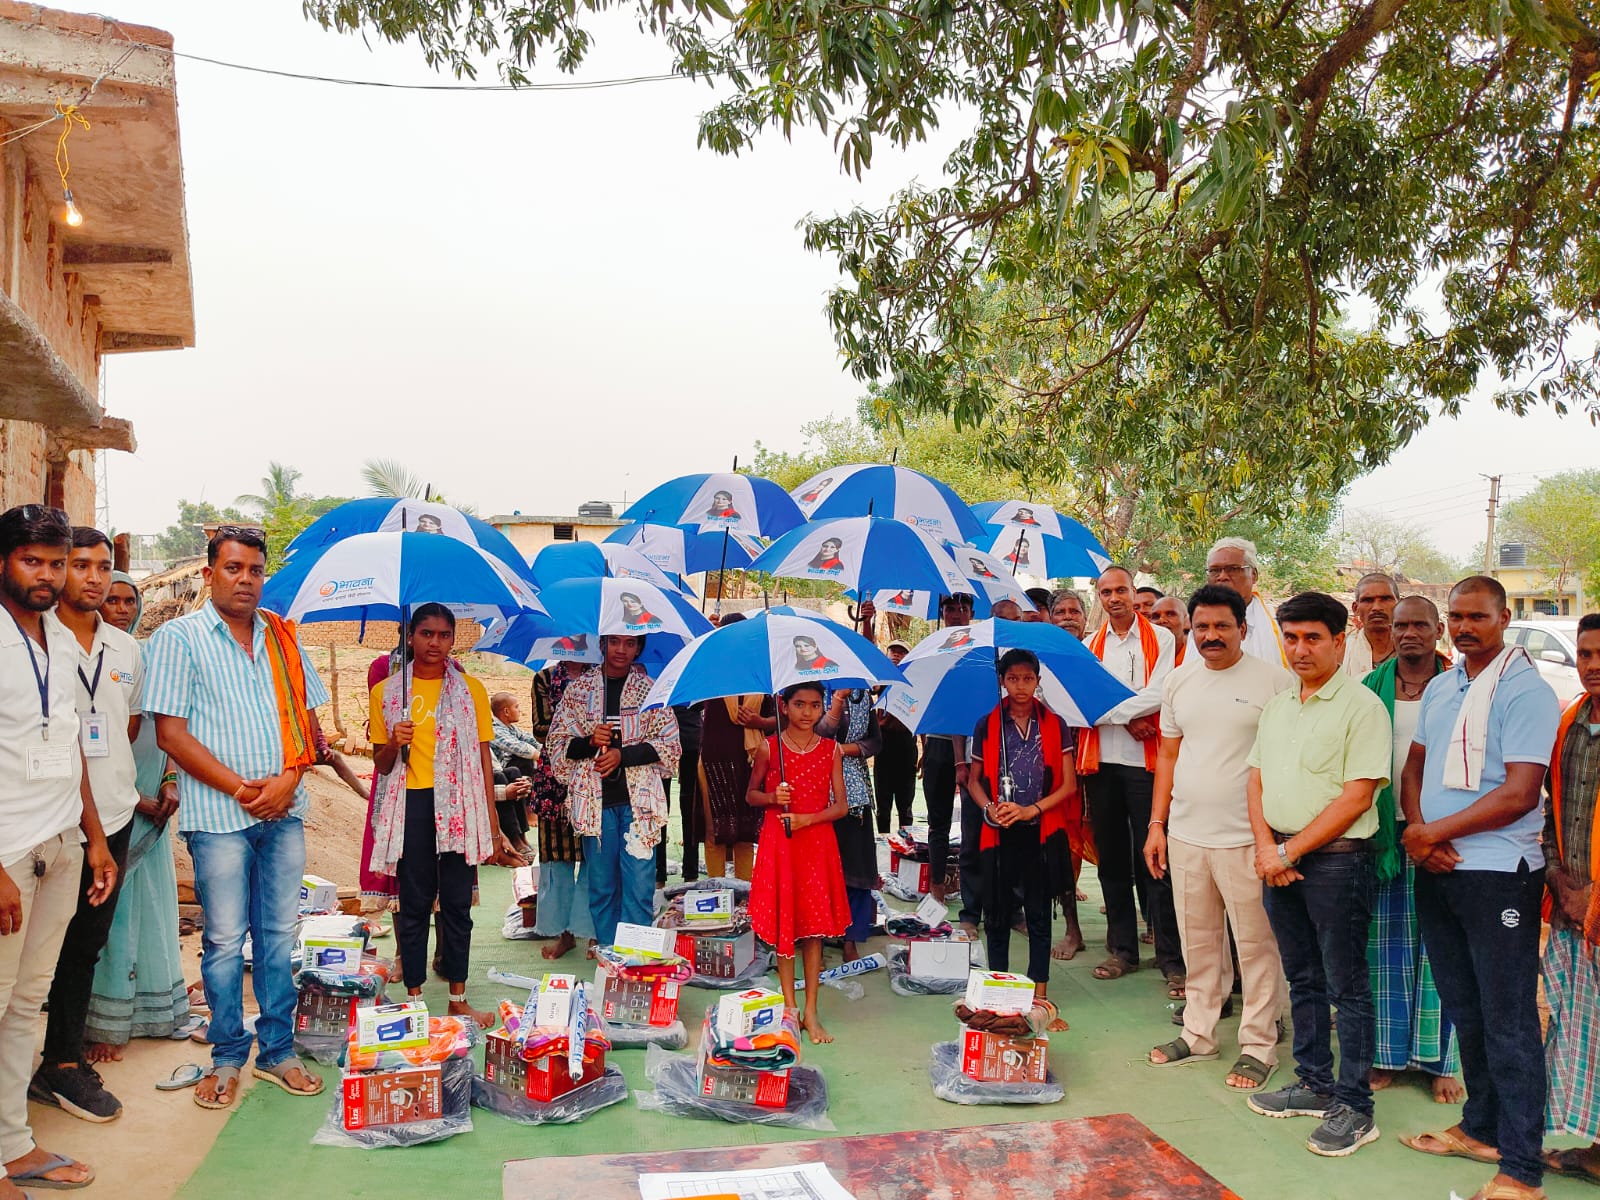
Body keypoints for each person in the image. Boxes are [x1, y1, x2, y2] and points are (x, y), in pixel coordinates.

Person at [145, 525, 329, 1111]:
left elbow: (307, 728)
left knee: (278, 938)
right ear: (208, 574)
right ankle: (226, 1055)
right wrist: (249, 791)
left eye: (254, 570)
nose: (245, 580)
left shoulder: (282, 637)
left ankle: (277, 1050)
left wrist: (289, 781)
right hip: (218, 815)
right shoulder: (179, 639)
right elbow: (171, 734)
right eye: (232, 568)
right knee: (224, 941)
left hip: (286, 811)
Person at [1396, 576, 1559, 1200]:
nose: (1464, 628)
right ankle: (1480, 1127)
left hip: (1498, 875)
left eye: (1477, 617)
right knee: (1465, 1008)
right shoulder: (1444, 684)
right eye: (1456, 617)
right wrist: (1419, 832)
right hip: (1439, 869)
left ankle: (1521, 1169)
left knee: (1509, 1020)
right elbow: (1415, 766)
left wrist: (1430, 831)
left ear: (1504, 616)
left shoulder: (1527, 691)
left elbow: (1520, 794)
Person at [1244, 591, 1390, 1157]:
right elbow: (1256, 781)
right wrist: (1267, 848)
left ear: (1339, 640)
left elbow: (1356, 798)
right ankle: (1314, 1084)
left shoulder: (1361, 708)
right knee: (1301, 978)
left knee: (1346, 985)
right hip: (1279, 857)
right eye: (1291, 637)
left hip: (1336, 862)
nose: (1300, 649)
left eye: (1312, 638)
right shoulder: (1281, 705)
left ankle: (1355, 1106)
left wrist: (1288, 852)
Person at [0, 505, 114, 1190]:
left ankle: (14, 1145)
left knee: (26, 1004)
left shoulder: (61, 641)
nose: (46, 576)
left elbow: (69, 742)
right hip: (7, 854)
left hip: (61, 844)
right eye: (31, 561)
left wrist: (94, 839)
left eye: (56, 562)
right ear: (4, 562)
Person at [1143, 585, 1291, 1091]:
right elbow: (1167, 756)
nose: (1210, 636)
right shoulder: (1179, 682)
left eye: (1221, 626)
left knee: (1255, 945)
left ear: (1242, 629)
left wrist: (1273, 839)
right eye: (1201, 627)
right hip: (1185, 836)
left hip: (1249, 840)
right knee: (1199, 941)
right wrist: (1157, 824)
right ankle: (1199, 1032)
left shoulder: (1275, 683)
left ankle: (1258, 1044)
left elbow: (1283, 763)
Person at [31, 529, 140, 1123]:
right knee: (34, 951)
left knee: (85, 945)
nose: (95, 578)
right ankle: (50, 1061)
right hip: (54, 819)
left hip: (115, 813)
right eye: (81, 565)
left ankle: (62, 1062)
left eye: (104, 566)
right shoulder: (37, 644)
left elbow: (125, 727)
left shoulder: (125, 649)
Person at [369, 603, 521, 1027]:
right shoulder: (387, 693)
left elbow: (483, 757)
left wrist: (492, 823)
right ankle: (415, 999)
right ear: (411, 637)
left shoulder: (470, 690)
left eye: (443, 635)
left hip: (459, 804)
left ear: (453, 640)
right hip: (411, 806)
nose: (434, 643)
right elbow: (382, 767)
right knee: (414, 904)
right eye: (425, 634)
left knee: (457, 905)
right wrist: (392, 742)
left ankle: (458, 997)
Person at [1360, 596, 1462, 1103]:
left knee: (1441, 951)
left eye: (1420, 625)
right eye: (1401, 626)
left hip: (1443, 835)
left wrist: (1430, 830)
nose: (1409, 634)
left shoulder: (1459, 689)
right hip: (1385, 836)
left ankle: (1442, 1062)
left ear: (1438, 629)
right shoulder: (1370, 688)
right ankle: (1385, 1057)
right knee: (1385, 953)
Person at [86, 573, 190, 1063]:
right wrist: (131, 799)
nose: (122, 608)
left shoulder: (144, 658)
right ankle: (106, 1019)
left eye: (130, 600)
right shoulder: (80, 659)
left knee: (152, 907)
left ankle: (153, 1011)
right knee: (114, 913)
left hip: (155, 799)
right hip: (109, 804)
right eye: (113, 599)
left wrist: (168, 781)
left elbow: (172, 726)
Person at [1081, 565, 1182, 989]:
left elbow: (1161, 693)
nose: (1114, 598)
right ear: (1099, 598)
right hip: (1103, 764)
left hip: (1148, 764)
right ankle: (1122, 950)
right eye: (1106, 592)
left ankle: (1171, 956)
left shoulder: (1160, 638)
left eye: (1121, 590)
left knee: (1157, 858)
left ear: (1133, 591)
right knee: (1112, 860)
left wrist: (1115, 714)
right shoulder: (1090, 646)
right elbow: (1084, 702)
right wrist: (1129, 718)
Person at [967, 649, 1077, 1029]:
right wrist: (989, 809)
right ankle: (998, 995)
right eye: (1012, 679)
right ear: (1002, 681)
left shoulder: (1055, 723)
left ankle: (1040, 1000)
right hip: (999, 833)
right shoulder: (987, 724)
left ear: (1037, 680)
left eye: (1027, 679)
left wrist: (1033, 810)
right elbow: (973, 780)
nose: (1020, 686)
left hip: (1039, 831)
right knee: (996, 916)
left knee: (1038, 915)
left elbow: (1068, 785)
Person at [548, 635, 681, 945]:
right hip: (595, 807)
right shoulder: (579, 690)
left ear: (639, 648)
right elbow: (557, 745)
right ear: (603, 644)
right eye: (615, 642)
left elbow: (670, 744)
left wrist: (624, 754)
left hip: (639, 808)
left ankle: (636, 963)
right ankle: (610, 958)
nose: (622, 650)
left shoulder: (650, 690)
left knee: (639, 885)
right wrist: (588, 741)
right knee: (602, 887)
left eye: (630, 643)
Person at [746, 682, 850, 1043]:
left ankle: (811, 1010)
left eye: (815, 705)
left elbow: (841, 805)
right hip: (781, 843)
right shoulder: (768, 748)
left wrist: (808, 819)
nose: (808, 712)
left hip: (816, 841)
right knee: (785, 925)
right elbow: (751, 795)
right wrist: (774, 796)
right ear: (783, 706)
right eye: (800, 704)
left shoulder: (831, 749)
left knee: (814, 928)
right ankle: (790, 1007)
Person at [1540, 613, 1600, 1186]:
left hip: (1596, 909)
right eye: (1584, 654)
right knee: (1582, 1026)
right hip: (1569, 906)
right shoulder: (1568, 722)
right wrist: (1559, 880)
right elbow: (1550, 810)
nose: (1593, 665)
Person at [528, 660, 594, 960]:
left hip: (595, 776)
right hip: (553, 778)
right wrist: (583, 729)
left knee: (597, 858)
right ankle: (564, 934)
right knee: (557, 855)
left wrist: (575, 731)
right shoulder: (544, 678)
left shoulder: (602, 678)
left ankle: (595, 934)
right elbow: (541, 730)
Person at [923, 593, 981, 931]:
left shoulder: (979, 650)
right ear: (941, 612)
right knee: (937, 821)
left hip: (974, 747)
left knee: (975, 825)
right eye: (950, 608)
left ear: (972, 612)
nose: (956, 614)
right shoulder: (931, 649)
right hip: (937, 745)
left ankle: (976, 892)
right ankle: (936, 887)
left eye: (962, 608)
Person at [818, 687, 882, 962]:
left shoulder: (862, 696)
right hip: (817, 794)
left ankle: (850, 938)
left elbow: (875, 741)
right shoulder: (811, 692)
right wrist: (836, 702)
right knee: (819, 874)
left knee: (856, 872)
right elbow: (817, 734)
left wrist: (846, 750)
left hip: (855, 793)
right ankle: (816, 938)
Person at [1201, 537, 1288, 667]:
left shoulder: (1281, 623)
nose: (1222, 576)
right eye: (1215, 570)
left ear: (1254, 575)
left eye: (1233, 569)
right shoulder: (1197, 626)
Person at [874, 640, 918, 833]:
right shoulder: (882, 680)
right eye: (893, 651)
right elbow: (873, 686)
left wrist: (926, 747)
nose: (896, 655)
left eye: (901, 653)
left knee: (905, 803)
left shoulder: (915, 682)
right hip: (884, 744)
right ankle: (883, 841)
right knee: (883, 803)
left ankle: (906, 842)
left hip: (906, 744)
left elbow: (920, 718)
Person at [488, 691, 539, 856]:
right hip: (492, 774)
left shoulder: (511, 728)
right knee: (506, 773)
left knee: (514, 772)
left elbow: (531, 741)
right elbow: (519, 748)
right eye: (516, 707)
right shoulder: (494, 728)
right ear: (506, 712)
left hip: (501, 770)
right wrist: (540, 756)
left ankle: (521, 834)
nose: (520, 711)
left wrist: (548, 755)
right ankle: (514, 836)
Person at [1343, 573, 1399, 677]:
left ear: (1400, 606)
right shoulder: (1341, 651)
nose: (1377, 607)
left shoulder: (1416, 651)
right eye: (1368, 600)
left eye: (1385, 599)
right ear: (1356, 608)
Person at [1150, 596, 1190, 665]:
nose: (1161, 620)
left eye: (1170, 614)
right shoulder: (1142, 658)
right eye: (1156, 616)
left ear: (1186, 621)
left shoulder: (1196, 657)